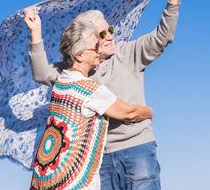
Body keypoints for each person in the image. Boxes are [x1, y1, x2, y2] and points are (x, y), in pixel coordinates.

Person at [26, 0, 190, 189]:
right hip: (99, 158)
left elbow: (162, 37)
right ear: (86, 44)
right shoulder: (75, 73)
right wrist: (36, 32)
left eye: (110, 29)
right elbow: (42, 73)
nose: (110, 35)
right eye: (102, 33)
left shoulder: (127, 53)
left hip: (137, 148)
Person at [26, 18, 153, 189]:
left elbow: (41, 73)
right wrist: (150, 112)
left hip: (50, 177)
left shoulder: (61, 82)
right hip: (75, 182)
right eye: (95, 46)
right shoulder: (89, 90)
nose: (100, 49)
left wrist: (36, 32)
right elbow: (129, 113)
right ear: (79, 55)